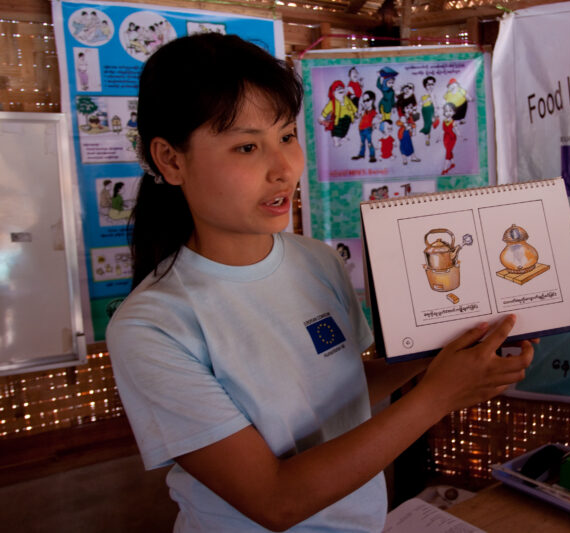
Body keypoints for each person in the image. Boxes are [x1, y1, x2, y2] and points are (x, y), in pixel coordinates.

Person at [106, 33, 534, 533]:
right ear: (171, 160)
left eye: (286, 136)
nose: (284, 169)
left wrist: (449, 355)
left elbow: (337, 382)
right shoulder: (153, 327)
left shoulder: (317, 260)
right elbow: (274, 500)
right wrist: (436, 396)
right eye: (247, 146)